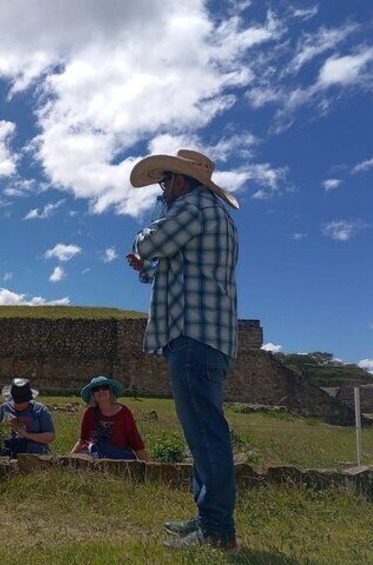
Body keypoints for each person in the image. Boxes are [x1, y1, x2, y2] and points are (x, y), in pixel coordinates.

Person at [127, 149, 240, 553]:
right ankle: (208, 517)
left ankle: (217, 532)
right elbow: (169, 262)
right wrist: (147, 267)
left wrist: (143, 245)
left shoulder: (192, 207)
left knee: (205, 433)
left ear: (182, 181)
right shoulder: (213, 213)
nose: (163, 189)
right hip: (207, 334)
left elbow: (152, 241)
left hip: (193, 334)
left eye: (166, 181)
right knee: (201, 431)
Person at [71, 376, 147, 461]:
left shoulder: (124, 413)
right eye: (96, 389)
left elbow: (136, 441)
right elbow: (83, 440)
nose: (101, 391)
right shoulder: (89, 413)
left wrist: (147, 466)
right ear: (92, 395)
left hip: (119, 457)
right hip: (93, 454)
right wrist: (69, 458)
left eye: (104, 388)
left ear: (111, 392)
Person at [0, 378, 55, 456]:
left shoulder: (40, 410)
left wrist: (27, 435)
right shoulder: (3, 409)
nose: (19, 404)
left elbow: (50, 436)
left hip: (35, 453)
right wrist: (4, 427)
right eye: (17, 401)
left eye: (22, 401)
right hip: (7, 452)